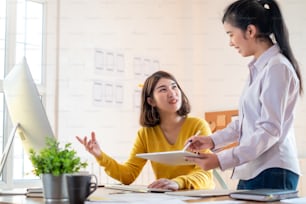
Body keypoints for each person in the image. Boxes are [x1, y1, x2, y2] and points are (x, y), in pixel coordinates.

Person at [185, 0, 303, 190]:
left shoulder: (277, 67)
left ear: (250, 31)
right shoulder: (260, 68)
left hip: (272, 170)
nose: (230, 42)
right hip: (255, 169)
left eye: (231, 34)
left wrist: (220, 159)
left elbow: (269, 130)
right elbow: (245, 122)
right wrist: (212, 140)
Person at [76, 70, 215, 190]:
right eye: (163, 89)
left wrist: (177, 183)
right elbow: (128, 175)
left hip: (199, 198)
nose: (172, 93)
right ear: (151, 101)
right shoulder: (145, 134)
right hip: (168, 199)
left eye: (174, 87)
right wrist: (100, 155)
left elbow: (205, 173)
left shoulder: (198, 125)